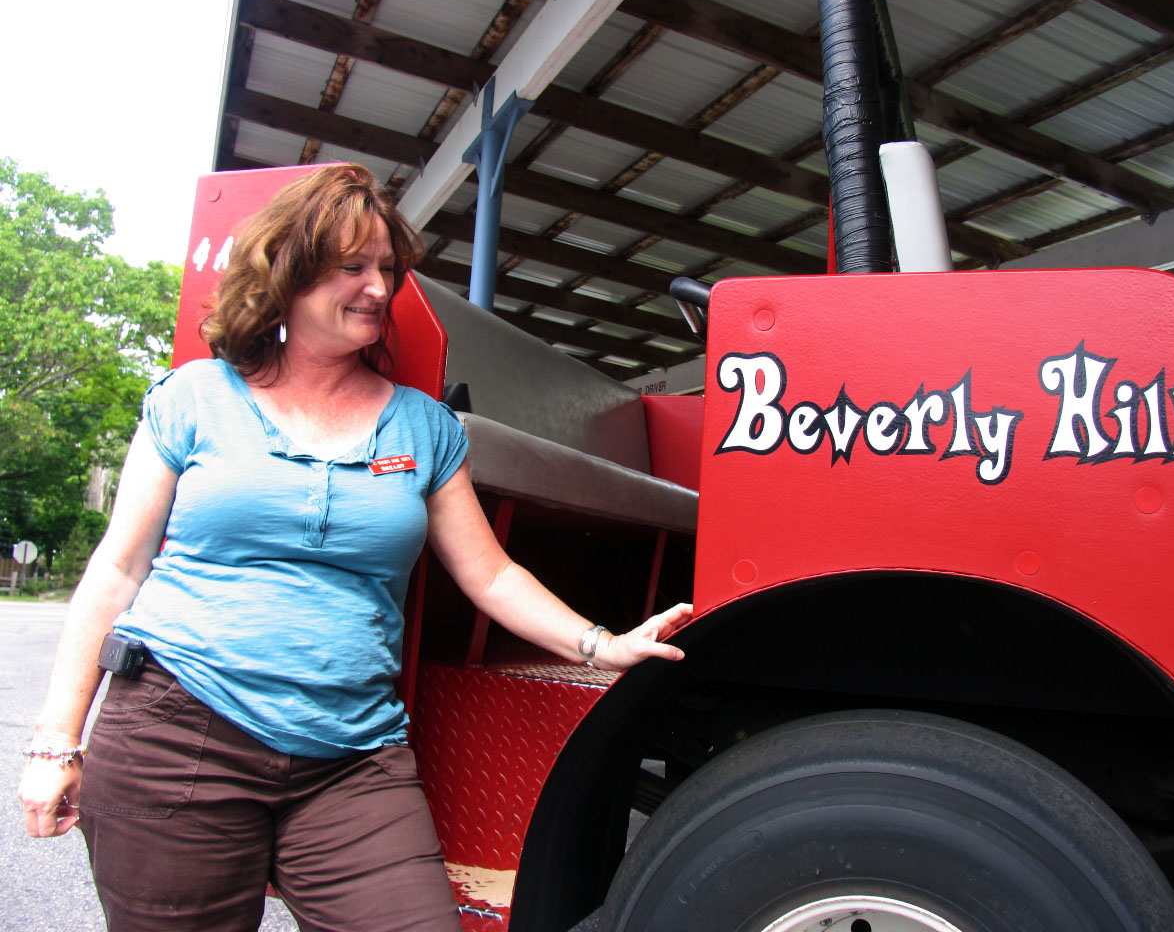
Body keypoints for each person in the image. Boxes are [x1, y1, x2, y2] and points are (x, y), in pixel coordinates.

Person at [18, 164, 692, 932]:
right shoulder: (193, 399)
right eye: (353, 267)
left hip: (351, 759)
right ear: (289, 273)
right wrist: (55, 743)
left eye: (387, 269)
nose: (379, 286)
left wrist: (599, 646)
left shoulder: (423, 427)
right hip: (179, 733)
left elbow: (492, 575)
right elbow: (117, 570)